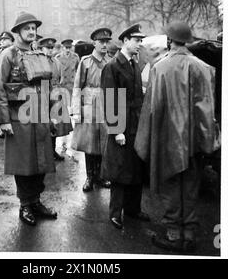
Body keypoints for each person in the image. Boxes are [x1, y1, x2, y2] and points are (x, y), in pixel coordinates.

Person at [134, 21, 217, 252]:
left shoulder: (160, 68)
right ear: (188, 40)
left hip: (167, 139)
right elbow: (207, 108)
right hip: (194, 141)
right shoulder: (203, 67)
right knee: (190, 186)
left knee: (170, 186)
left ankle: (173, 235)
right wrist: (208, 140)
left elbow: (152, 108)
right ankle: (188, 234)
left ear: (169, 40)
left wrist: (147, 140)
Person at [0, 12, 57, 226]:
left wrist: (54, 114)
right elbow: (0, 89)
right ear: (18, 31)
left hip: (40, 114)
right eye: (27, 28)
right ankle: (25, 205)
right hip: (18, 116)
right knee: (23, 163)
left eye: (34, 28)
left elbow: (47, 85)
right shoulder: (8, 55)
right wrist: (2, 121)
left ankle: (36, 201)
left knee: (40, 161)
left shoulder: (39, 54)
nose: (32, 32)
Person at [101, 24, 150, 230]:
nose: (140, 44)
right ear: (126, 40)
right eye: (137, 40)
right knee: (120, 170)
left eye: (141, 41)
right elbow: (110, 100)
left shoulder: (133, 64)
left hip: (136, 124)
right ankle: (115, 212)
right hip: (122, 125)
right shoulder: (113, 66)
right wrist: (116, 130)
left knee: (135, 166)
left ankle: (133, 209)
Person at [71, 28, 112, 192]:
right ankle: (89, 177)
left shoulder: (109, 63)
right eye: (101, 42)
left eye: (106, 42)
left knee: (102, 141)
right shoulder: (85, 62)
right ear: (94, 43)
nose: (104, 45)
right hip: (88, 105)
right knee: (89, 143)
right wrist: (76, 110)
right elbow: (77, 86)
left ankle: (100, 176)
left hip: (104, 105)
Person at [38, 37, 73, 161]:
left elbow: (61, 79)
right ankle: (43, 153)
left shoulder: (56, 62)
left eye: (52, 48)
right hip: (41, 95)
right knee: (42, 125)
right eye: (47, 48)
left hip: (55, 95)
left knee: (55, 125)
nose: (50, 50)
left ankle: (52, 151)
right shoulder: (37, 61)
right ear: (41, 48)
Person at [55, 39, 80, 157]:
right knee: (64, 115)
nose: (68, 50)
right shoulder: (58, 58)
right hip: (62, 88)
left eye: (70, 47)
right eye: (66, 48)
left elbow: (78, 71)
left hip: (72, 88)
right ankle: (64, 142)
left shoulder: (76, 57)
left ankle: (71, 142)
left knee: (73, 114)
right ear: (62, 48)